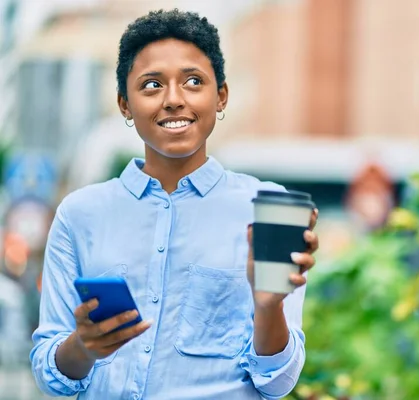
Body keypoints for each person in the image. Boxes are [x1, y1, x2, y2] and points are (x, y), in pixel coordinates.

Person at [30, 9, 319, 400]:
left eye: (193, 81)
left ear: (221, 97)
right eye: (151, 85)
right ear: (124, 104)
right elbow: (52, 375)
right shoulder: (80, 215)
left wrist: (269, 306)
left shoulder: (265, 210)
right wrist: (83, 347)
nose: (173, 100)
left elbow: (277, 382)